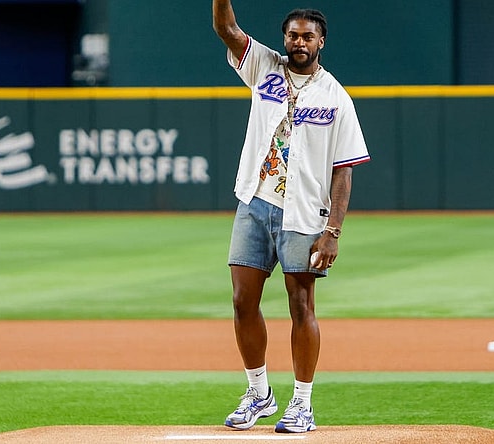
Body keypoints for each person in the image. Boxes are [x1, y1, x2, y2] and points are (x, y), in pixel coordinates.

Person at [212, 0, 371, 434]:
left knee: (301, 306)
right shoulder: (264, 67)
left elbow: (344, 170)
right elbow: (226, 29)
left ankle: (303, 404)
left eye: (307, 36)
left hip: (303, 214)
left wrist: (332, 232)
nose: (299, 43)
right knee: (243, 302)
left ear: (321, 41)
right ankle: (259, 393)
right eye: (293, 35)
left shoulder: (335, 96)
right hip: (254, 202)